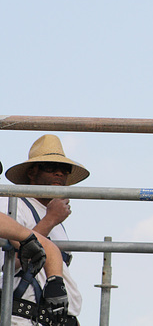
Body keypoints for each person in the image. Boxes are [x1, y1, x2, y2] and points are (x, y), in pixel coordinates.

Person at [1, 134, 89, 325]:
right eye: (50, 167)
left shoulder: (56, 219)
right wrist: (50, 220)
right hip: (22, 317)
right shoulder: (13, 203)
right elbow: (10, 262)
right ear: (32, 173)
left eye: (64, 169)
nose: (59, 173)